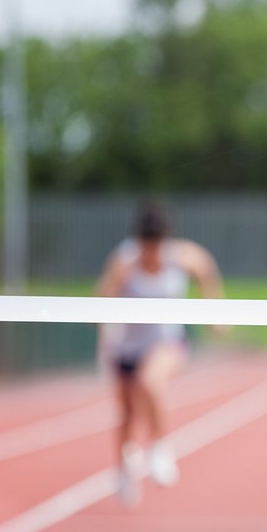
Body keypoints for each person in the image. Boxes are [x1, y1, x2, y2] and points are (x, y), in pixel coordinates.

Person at [97, 199, 225, 508]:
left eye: (156, 247)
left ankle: (160, 448)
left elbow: (206, 268)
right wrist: (105, 339)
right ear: (138, 242)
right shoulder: (124, 261)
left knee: (151, 381)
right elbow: (100, 301)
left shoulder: (182, 256)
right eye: (146, 247)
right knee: (127, 415)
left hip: (167, 343)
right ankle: (125, 472)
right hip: (127, 346)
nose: (152, 253)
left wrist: (215, 312)